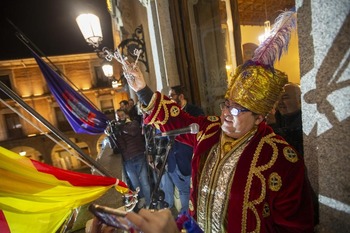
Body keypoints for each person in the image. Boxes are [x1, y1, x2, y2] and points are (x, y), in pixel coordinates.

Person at [121, 58, 314, 232]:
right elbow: (177, 120)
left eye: (238, 110)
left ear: (259, 118)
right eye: (227, 104)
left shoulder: (280, 159)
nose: (227, 113)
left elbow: (295, 227)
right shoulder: (210, 131)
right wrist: (142, 90)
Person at [158, 85, 204, 213]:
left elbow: (199, 137)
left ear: (181, 96)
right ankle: (186, 221)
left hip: (189, 161)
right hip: (173, 163)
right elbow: (163, 136)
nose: (170, 98)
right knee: (184, 193)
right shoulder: (169, 115)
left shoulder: (195, 112)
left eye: (172, 95)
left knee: (195, 196)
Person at [112, 109, 151, 207]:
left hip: (139, 156)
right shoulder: (117, 129)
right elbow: (116, 147)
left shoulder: (133, 123)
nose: (120, 117)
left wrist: (121, 127)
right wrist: (111, 134)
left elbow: (133, 132)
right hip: (128, 160)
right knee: (135, 184)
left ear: (126, 115)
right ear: (116, 118)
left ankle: (149, 202)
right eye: (118, 116)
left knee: (145, 182)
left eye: (122, 115)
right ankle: (142, 199)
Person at [270, 83, 304, 155]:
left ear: (300, 99)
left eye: (285, 98)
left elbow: (291, 149)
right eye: (278, 99)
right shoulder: (277, 117)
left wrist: (272, 125)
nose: (280, 102)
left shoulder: (305, 122)